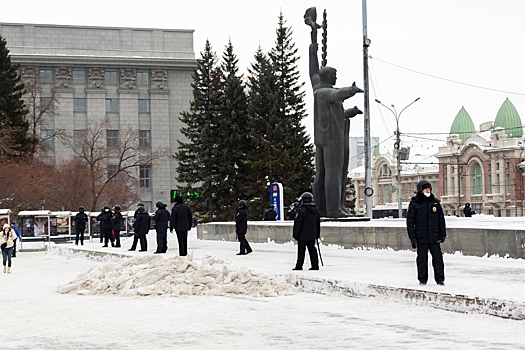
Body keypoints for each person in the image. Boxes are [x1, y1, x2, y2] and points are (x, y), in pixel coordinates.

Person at [306, 7, 363, 218]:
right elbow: (336, 95)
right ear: (330, 76)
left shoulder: (317, 88)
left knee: (321, 173)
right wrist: (352, 90)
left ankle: (323, 208)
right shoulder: (326, 92)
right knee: (333, 173)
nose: (337, 78)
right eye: (336, 75)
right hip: (331, 140)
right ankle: (333, 210)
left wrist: (313, 38)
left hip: (322, 138)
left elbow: (312, 69)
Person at [406, 179, 446, 286]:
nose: (428, 191)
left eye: (429, 189)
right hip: (421, 237)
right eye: (426, 189)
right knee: (422, 259)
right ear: (420, 191)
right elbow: (410, 222)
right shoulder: (415, 204)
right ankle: (422, 279)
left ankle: (440, 279)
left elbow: (441, 220)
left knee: (438, 259)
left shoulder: (435, 203)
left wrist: (443, 234)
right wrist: (412, 238)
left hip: (434, 236)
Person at [292, 192, 321, 271]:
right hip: (312, 233)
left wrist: (295, 234)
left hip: (302, 234)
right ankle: (315, 265)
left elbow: (298, 223)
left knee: (301, 250)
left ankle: (299, 265)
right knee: (312, 249)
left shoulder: (302, 210)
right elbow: (318, 223)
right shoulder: (316, 210)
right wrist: (317, 234)